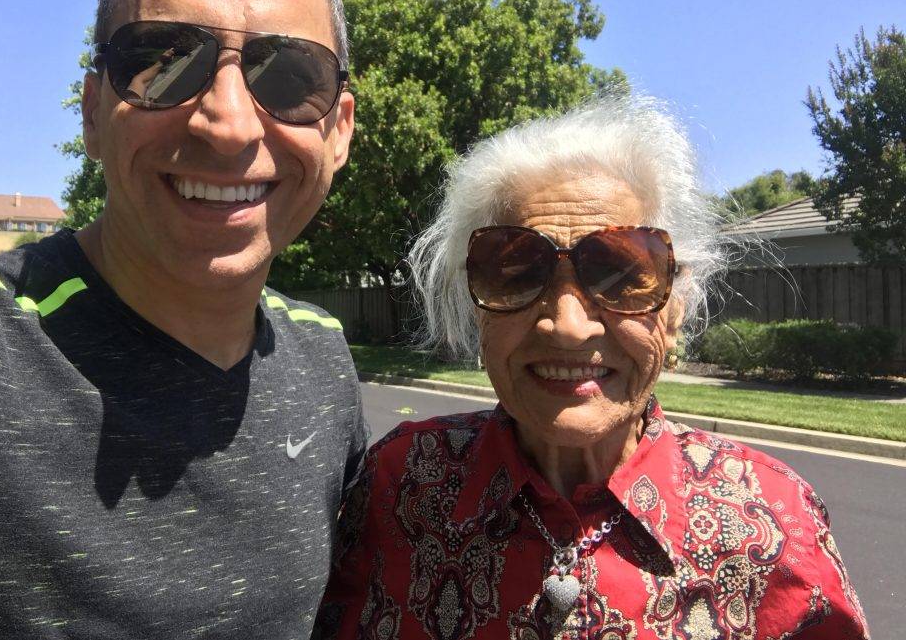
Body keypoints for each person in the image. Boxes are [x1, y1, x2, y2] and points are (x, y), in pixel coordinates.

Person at [0, 0, 366, 639]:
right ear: (91, 113)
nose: (230, 123)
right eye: (164, 64)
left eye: (289, 76)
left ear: (337, 132)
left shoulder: (324, 361)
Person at [315, 96, 869, 639]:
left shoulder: (772, 520)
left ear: (675, 308)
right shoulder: (402, 483)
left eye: (620, 273)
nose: (569, 325)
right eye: (515, 272)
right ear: (475, 307)